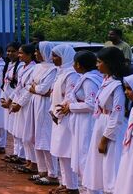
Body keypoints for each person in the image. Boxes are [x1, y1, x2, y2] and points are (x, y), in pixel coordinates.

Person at [82, 47, 127, 193]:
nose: (97, 65)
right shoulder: (107, 80)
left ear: (109, 63)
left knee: (111, 165)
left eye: (99, 62)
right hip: (101, 122)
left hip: (111, 127)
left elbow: (117, 115)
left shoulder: (118, 85)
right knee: (98, 164)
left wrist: (105, 138)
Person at [58, 51, 102, 190]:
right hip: (81, 121)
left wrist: (71, 107)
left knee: (85, 157)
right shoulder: (86, 77)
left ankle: (89, 190)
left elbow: (91, 104)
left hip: (87, 122)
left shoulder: (90, 80)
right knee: (81, 156)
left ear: (79, 65)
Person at [22, 42, 59, 185]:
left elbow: (44, 89)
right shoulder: (37, 67)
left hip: (44, 105)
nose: (36, 54)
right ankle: (42, 170)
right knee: (35, 137)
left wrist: (35, 88)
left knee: (45, 138)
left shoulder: (53, 70)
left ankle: (52, 173)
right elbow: (28, 85)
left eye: (38, 51)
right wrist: (36, 89)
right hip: (35, 103)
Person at [47, 44, 79, 190]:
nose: (52, 59)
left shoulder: (72, 74)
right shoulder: (60, 72)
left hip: (66, 117)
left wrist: (57, 113)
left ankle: (72, 186)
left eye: (55, 56)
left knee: (67, 151)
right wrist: (51, 110)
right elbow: (54, 94)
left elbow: (69, 97)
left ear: (64, 56)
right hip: (57, 117)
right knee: (60, 151)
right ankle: (64, 183)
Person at [10, 44, 39, 174]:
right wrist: (11, 99)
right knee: (21, 133)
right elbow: (19, 86)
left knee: (28, 135)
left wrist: (20, 103)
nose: (19, 55)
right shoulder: (22, 67)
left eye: (21, 53)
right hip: (19, 102)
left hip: (27, 104)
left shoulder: (34, 69)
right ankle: (28, 160)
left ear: (30, 54)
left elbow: (29, 90)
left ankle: (33, 163)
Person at [0, 42, 24, 160]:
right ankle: (16, 152)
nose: (10, 53)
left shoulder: (20, 66)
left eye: (13, 51)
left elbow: (19, 86)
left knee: (18, 128)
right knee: (12, 128)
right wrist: (3, 97)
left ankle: (21, 154)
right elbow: (5, 82)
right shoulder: (9, 64)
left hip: (15, 100)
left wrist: (10, 100)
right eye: (8, 51)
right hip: (8, 98)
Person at [113, 73, 133, 194]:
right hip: (130, 147)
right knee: (127, 173)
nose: (126, 92)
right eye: (125, 88)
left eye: (129, 89)